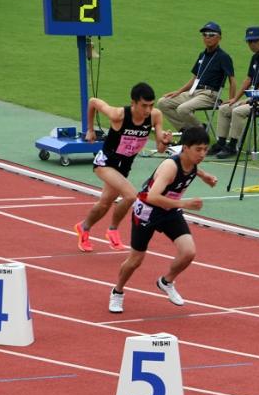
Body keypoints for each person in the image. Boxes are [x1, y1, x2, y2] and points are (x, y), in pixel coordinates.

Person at [108, 126, 218, 313]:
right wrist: (185, 204)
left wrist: (205, 176)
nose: (202, 154)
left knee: (188, 252)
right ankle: (117, 292)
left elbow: (194, 167)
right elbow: (152, 196)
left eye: (205, 150)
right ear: (185, 148)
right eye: (198, 149)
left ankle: (166, 281)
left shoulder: (191, 162)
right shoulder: (170, 167)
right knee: (135, 260)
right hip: (148, 211)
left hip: (169, 211)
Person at [75, 82, 173, 252]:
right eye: (144, 106)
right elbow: (92, 102)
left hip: (124, 166)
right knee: (130, 196)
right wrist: (90, 129)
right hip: (105, 162)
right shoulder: (118, 114)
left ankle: (84, 227)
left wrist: (165, 141)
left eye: (151, 105)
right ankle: (112, 230)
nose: (148, 110)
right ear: (133, 103)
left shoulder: (155, 116)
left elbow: (160, 149)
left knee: (105, 203)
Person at [213, 26, 259, 159]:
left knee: (237, 111)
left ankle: (233, 146)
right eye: (249, 41)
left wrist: (248, 100)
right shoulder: (255, 58)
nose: (252, 44)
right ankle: (221, 142)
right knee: (224, 108)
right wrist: (235, 99)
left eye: (255, 41)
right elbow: (248, 79)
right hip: (254, 100)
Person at [157, 22, 236, 136]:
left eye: (211, 34)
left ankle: (200, 131)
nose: (207, 37)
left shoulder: (223, 57)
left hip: (209, 95)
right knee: (162, 103)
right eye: (205, 34)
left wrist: (232, 100)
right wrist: (179, 92)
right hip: (194, 92)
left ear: (219, 38)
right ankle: (187, 131)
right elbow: (194, 78)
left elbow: (232, 80)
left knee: (182, 109)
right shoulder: (202, 55)